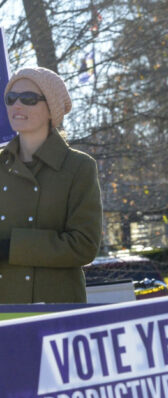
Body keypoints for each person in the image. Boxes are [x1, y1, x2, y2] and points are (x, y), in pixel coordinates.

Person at [0, 66, 102, 303]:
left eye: (28, 99)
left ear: (51, 109)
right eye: (10, 98)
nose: (17, 105)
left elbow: (84, 245)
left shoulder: (79, 167)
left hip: (57, 311)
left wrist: (11, 247)